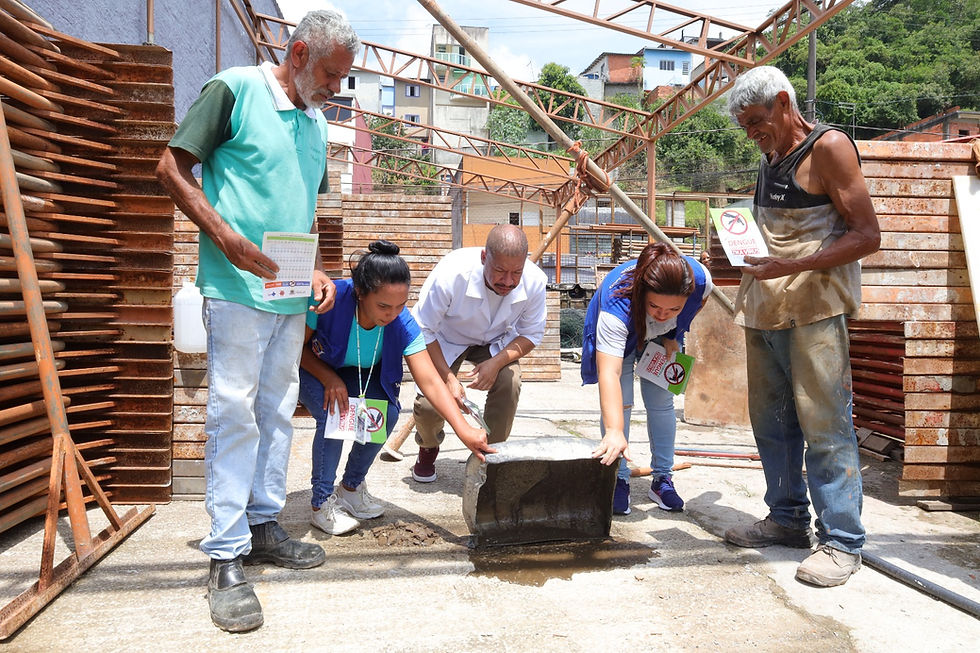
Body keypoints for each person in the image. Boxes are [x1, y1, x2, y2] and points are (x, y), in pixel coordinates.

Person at [155, 10, 359, 633]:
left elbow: (305, 207)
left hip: (291, 293)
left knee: (277, 410)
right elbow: (169, 167)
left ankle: (264, 523)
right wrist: (226, 237)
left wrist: (321, 270)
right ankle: (225, 554)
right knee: (233, 410)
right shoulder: (234, 89)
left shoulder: (317, 124)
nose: (334, 87)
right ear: (297, 54)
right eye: (329, 73)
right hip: (237, 286)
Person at [722, 66, 880, 587]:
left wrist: (788, 266)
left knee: (825, 425)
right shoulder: (768, 158)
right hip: (765, 307)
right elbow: (776, 237)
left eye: (758, 121)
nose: (753, 133)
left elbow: (866, 235)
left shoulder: (829, 148)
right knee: (771, 424)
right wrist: (735, 251)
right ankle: (787, 520)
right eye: (745, 126)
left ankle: (842, 542)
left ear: (785, 103)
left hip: (814, 308)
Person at [299, 240, 494, 535]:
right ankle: (321, 502)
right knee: (335, 416)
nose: (392, 314)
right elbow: (292, 349)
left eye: (400, 305)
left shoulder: (403, 322)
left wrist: (463, 429)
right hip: (311, 369)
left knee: (385, 413)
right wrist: (328, 377)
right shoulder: (330, 300)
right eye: (383, 306)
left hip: (358, 374)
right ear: (360, 293)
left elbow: (429, 379)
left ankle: (351, 488)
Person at [410, 224, 548, 483]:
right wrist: (450, 380)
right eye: (500, 271)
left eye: (516, 272)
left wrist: (496, 363)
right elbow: (423, 330)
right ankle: (428, 447)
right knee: (429, 404)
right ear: (484, 257)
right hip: (445, 340)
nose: (508, 281)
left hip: (495, 341)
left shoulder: (535, 281)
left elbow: (531, 335)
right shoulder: (451, 273)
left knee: (510, 380)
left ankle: (491, 453)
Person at [581, 242, 712, 516]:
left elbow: (701, 301)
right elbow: (610, 373)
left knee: (662, 403)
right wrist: (614, 431)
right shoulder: (616, 305)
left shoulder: (699, 280)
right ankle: (618, 477)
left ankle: (663, 478)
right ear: (642, 292)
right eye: (655, 305)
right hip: (625, 333)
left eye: (673, 309)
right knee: (622, 405)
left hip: (661, 340)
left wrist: (673, 333)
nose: (662, 314)